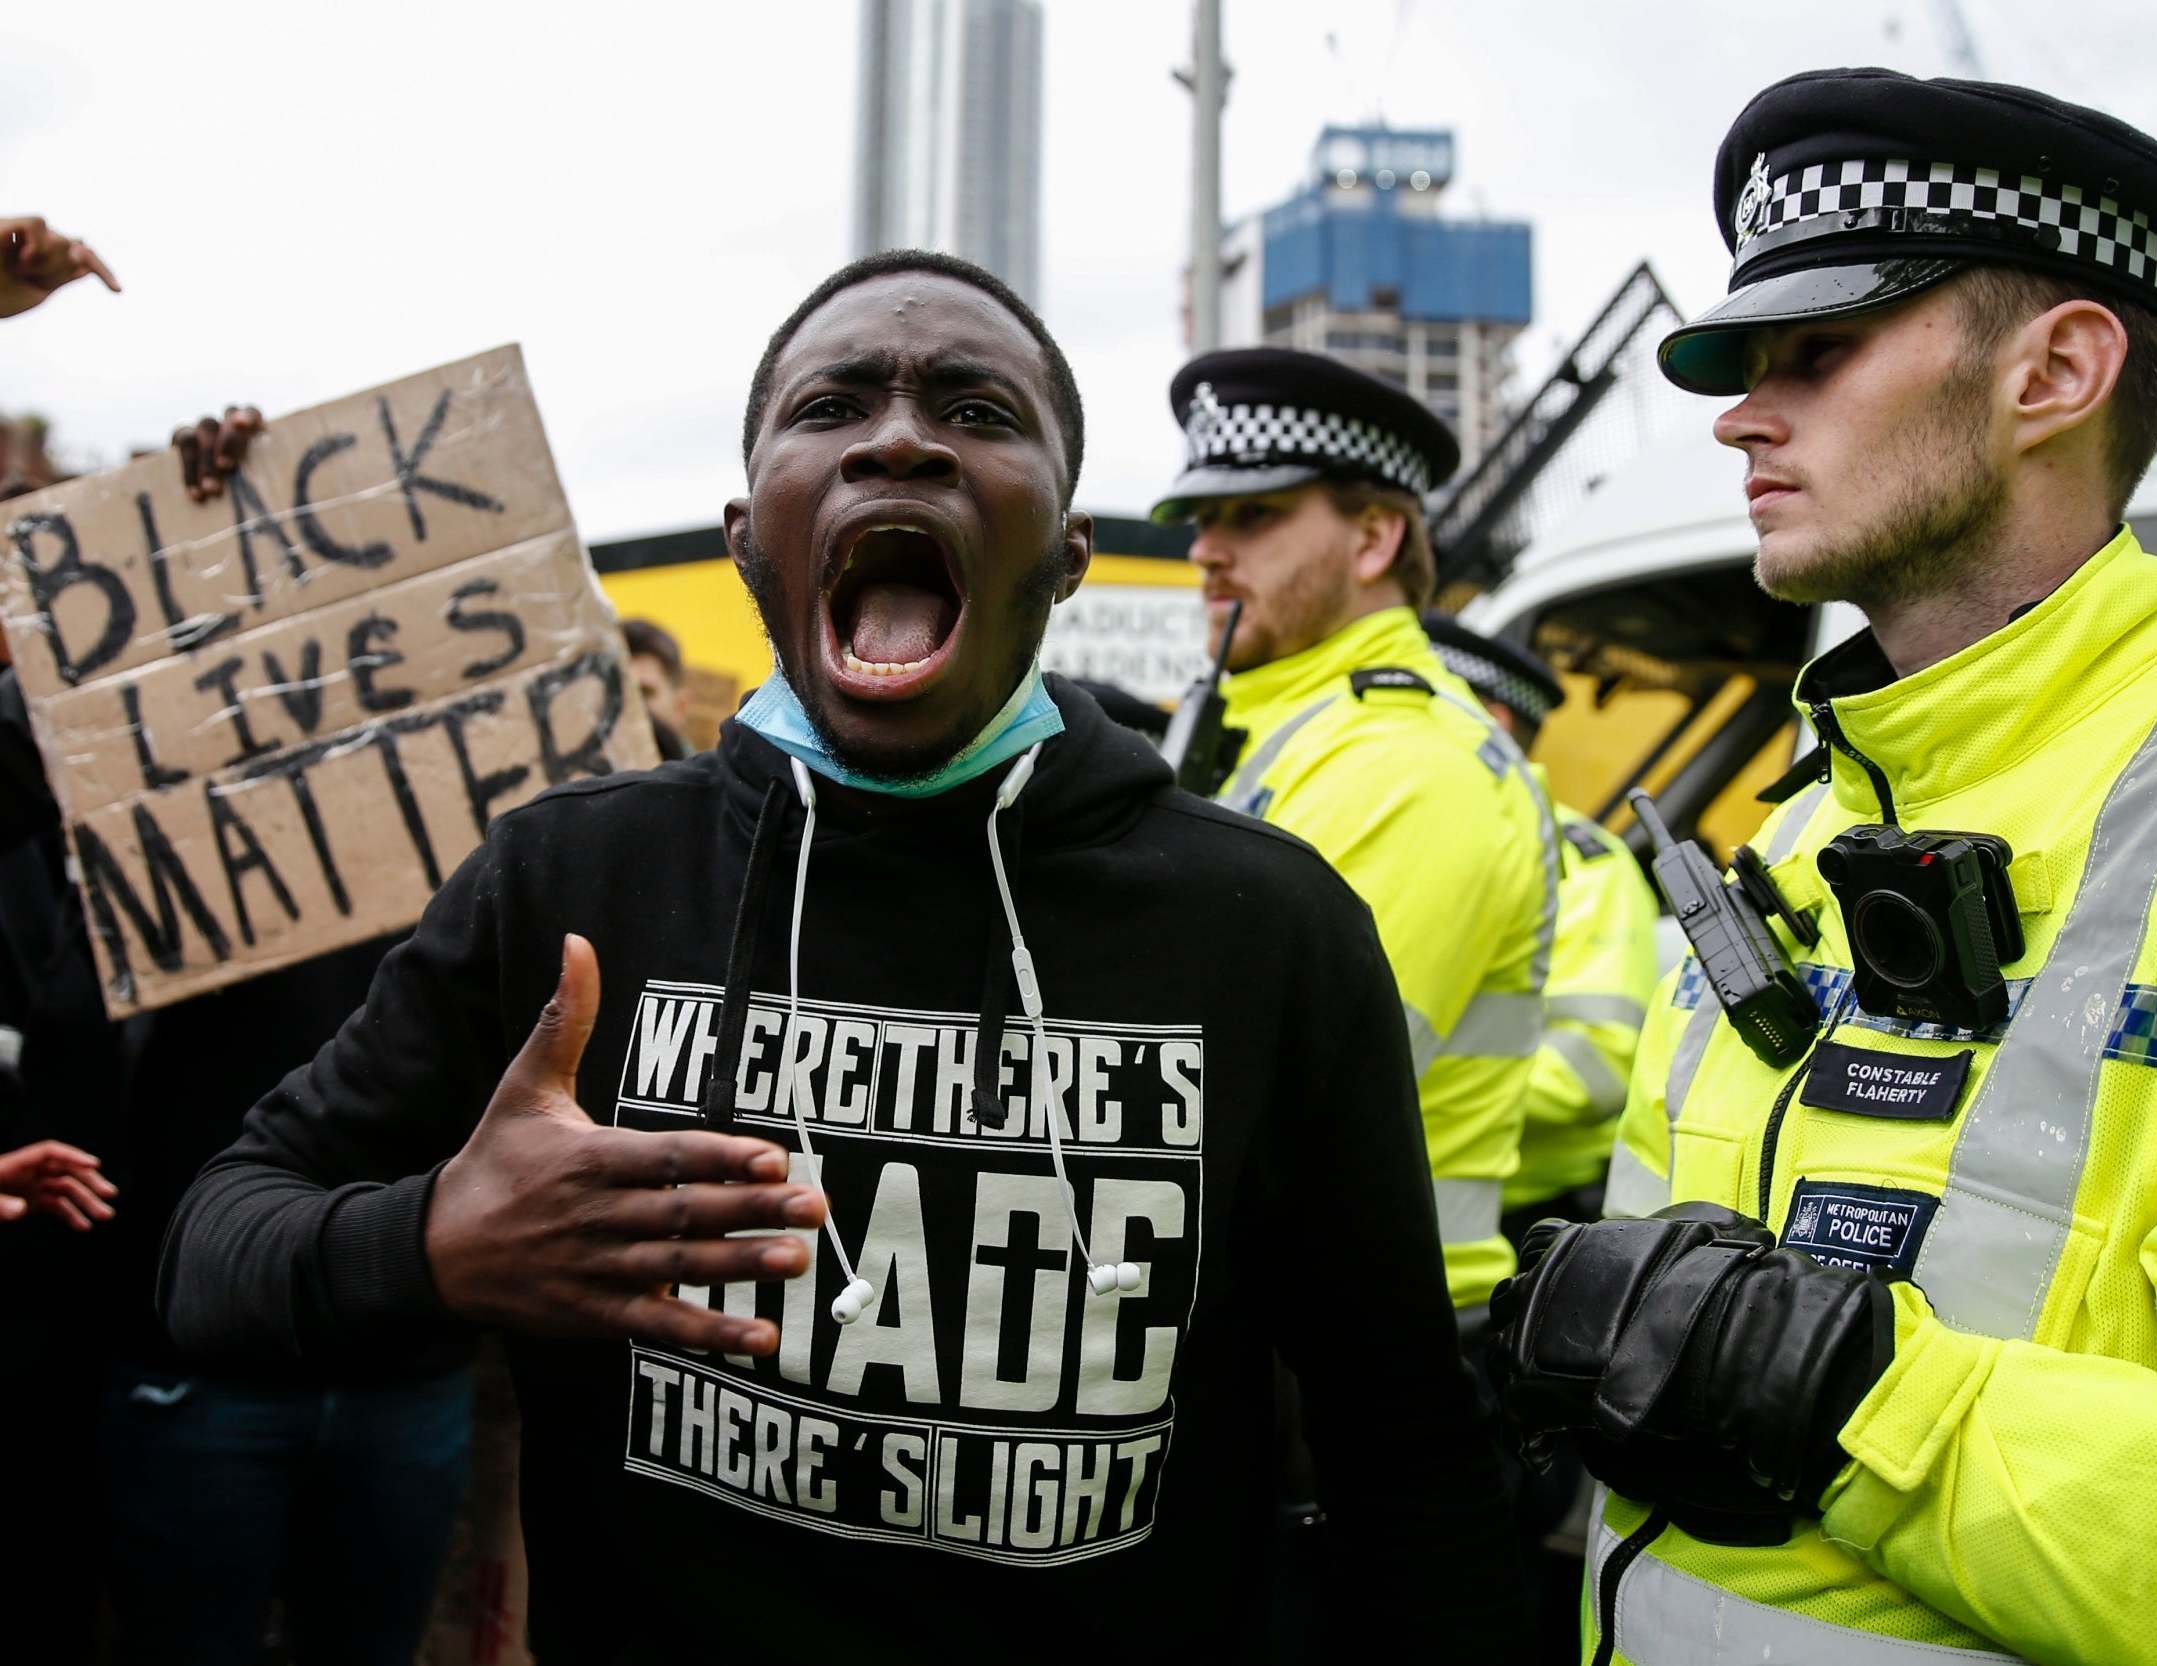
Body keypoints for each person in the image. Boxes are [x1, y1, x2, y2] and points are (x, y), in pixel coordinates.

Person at [160, 248, 1530, 1662]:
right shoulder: (574, 880)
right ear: (750, 536)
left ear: (1063, 556)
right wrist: (437, 1240)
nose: (898, 436)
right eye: (833, 404)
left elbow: (1408, 1454)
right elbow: (212, 1246)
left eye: (978, 411)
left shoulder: (1268, 926)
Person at [1488, 68, 2157, 1665]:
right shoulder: (1799, 832)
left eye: (1816, 355)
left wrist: (1843, 1389)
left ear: (2061, 370)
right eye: (1748, 366)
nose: (1744, 413)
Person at [1151, 349, 1559, 1332]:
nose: (1207, 550)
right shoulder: (1298, 727)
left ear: (1374, 536)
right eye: (1203, 518)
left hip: (1360, 1353)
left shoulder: (1407, 764)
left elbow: (1243, 1099)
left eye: (1253, 516)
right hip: (1297, 1323)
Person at [1422, 612, 1658, 1658]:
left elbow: (1600, 1064)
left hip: (1518, 1247)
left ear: (1489, 720)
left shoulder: (1586, 859)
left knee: (1492, 1543)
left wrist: (1446, 1111)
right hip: (1417, 1243)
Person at [622, 616, 695, 759]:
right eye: (615, 692)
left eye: (643, 693)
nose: (626, 707)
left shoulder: (705, 780)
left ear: (680, 706)